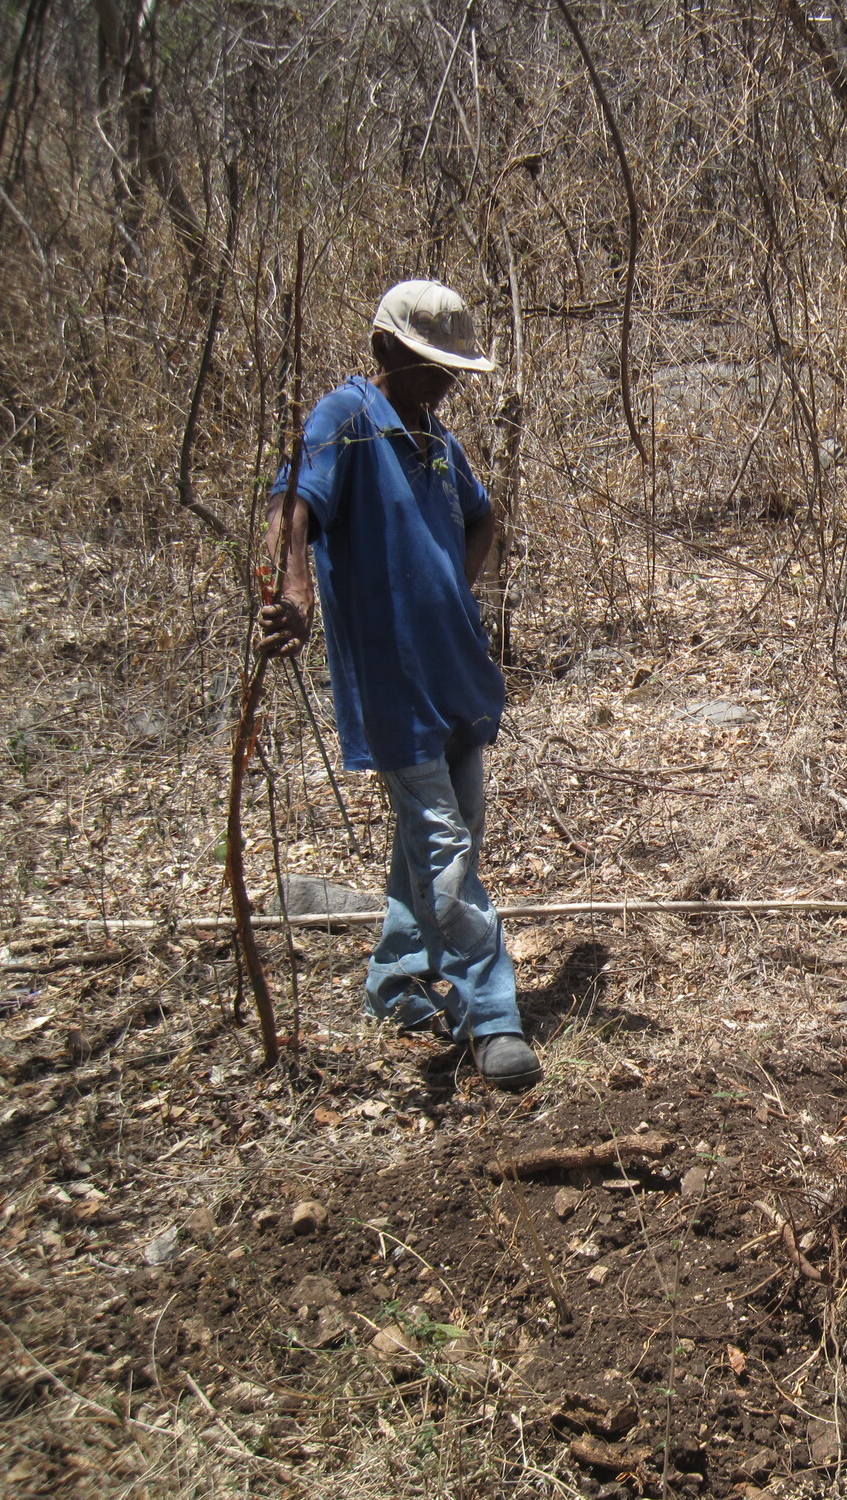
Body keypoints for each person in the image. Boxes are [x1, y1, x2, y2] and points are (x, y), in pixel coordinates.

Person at [259, 280, 541, 1091]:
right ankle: (493, 1016)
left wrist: (454, 588)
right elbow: (293, 502)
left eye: (451, 369)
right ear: (385, 350)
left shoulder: (439, 445)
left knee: (450, 834)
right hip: (395, 683)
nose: (443, 381)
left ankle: (394, 978)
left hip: (456, 670)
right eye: (428, 364)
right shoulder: (345, 422)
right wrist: (295, 593)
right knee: (444, 846)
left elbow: (484, 518)